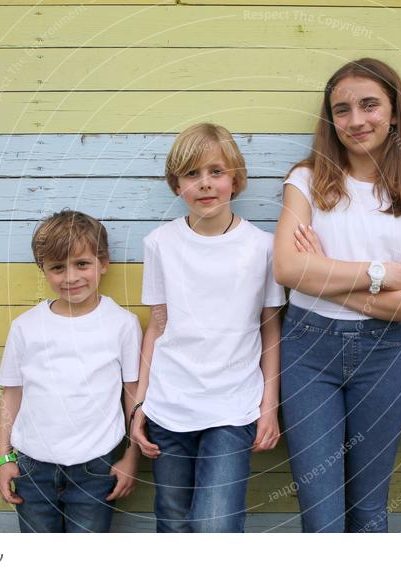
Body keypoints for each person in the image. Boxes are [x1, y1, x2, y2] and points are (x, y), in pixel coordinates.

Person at [274, 58, 401, 532]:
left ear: (394, 113)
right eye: (342, 109)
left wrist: (326, 278)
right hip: (308, 350)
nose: (356, 120)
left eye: (369, 105)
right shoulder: (306, 181)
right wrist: (379, 273)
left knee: (370, 509)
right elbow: (287, 267)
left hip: (383, 353)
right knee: (321, 514)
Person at [129, 123, 284, 533]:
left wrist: (269, 406)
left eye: (216, 171)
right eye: (192, 174)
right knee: (174, 523)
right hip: (169, 406)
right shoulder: (160, 243)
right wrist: (140, 404)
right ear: (177, 184)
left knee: (215, 526)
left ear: (235, 178)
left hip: (233, 409)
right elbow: (156, 328)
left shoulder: (262, 247)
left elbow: (271, 331)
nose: (205, 184)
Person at [0, 210, 142, 533]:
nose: (70, 277)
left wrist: (132, 457)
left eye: (82, 264)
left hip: (96, 467)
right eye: (58, 267)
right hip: (32, 467)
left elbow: (133, 395)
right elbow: (11, 394)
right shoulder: (25, 327)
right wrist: (3, 459)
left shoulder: (123, 325)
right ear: (44, 270)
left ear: (103, 263)